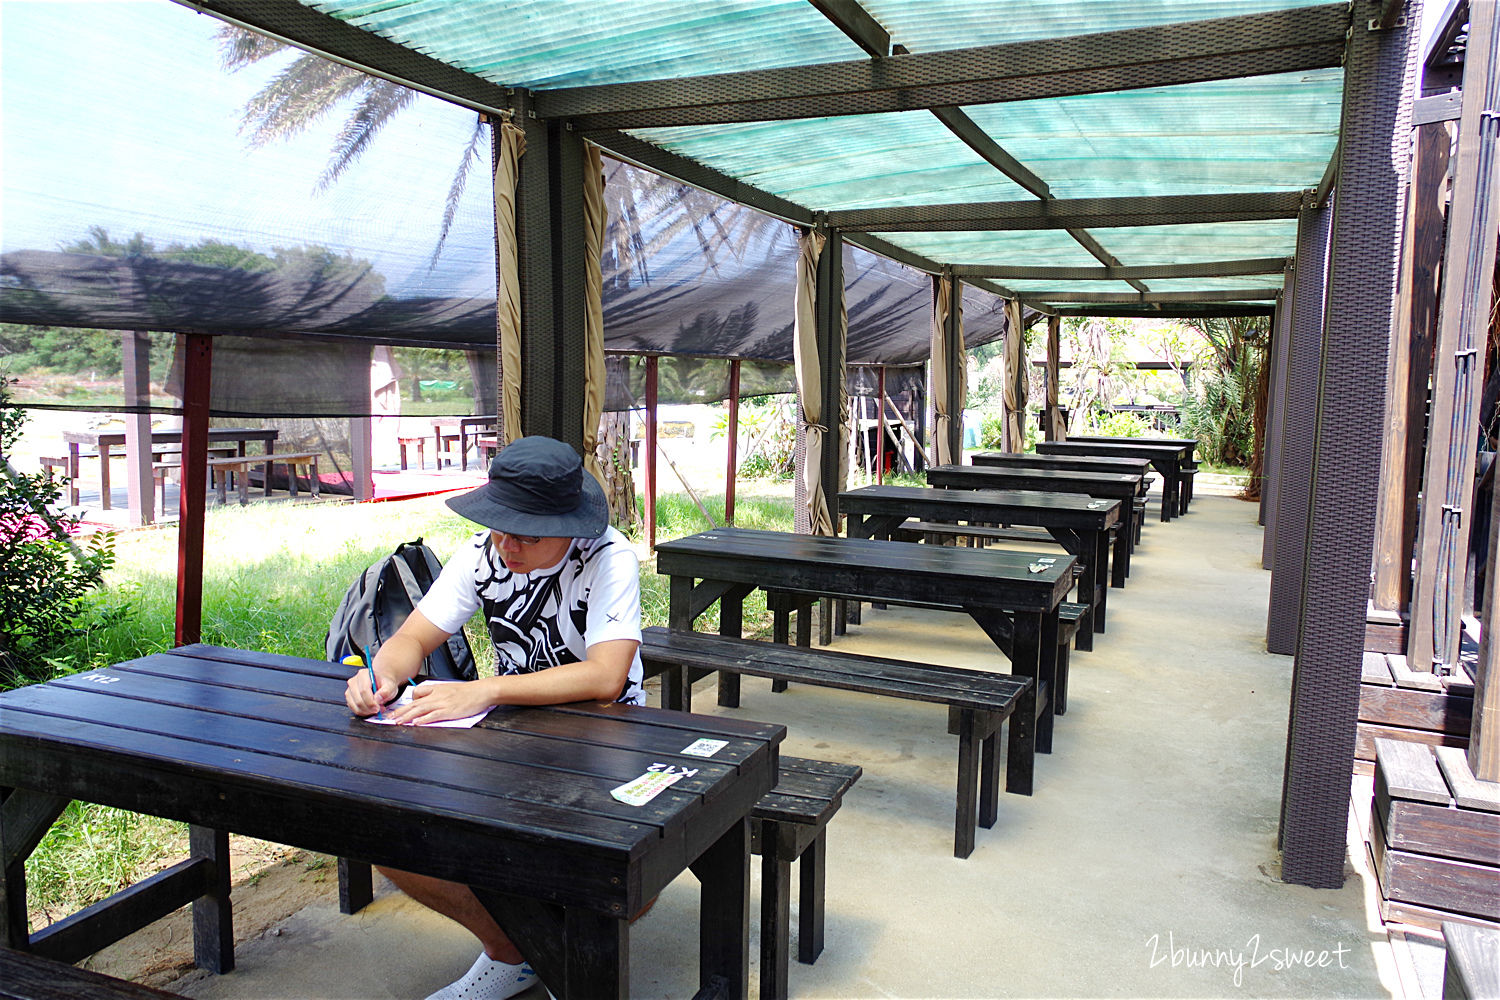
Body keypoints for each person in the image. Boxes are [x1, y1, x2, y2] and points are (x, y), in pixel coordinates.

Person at [344, 434, 644, 1000]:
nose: (507, 545)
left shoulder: (608, 556)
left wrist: (482, 691)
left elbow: (607, 676)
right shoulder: (485, 552)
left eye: (527, 535)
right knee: (387, 831)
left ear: (569, 525)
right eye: (500, 526)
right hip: (509, 737)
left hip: (607, 743)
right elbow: (413, 635)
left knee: (618, 870)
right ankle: (514, 951)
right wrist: (381, 678)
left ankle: (565, 956)